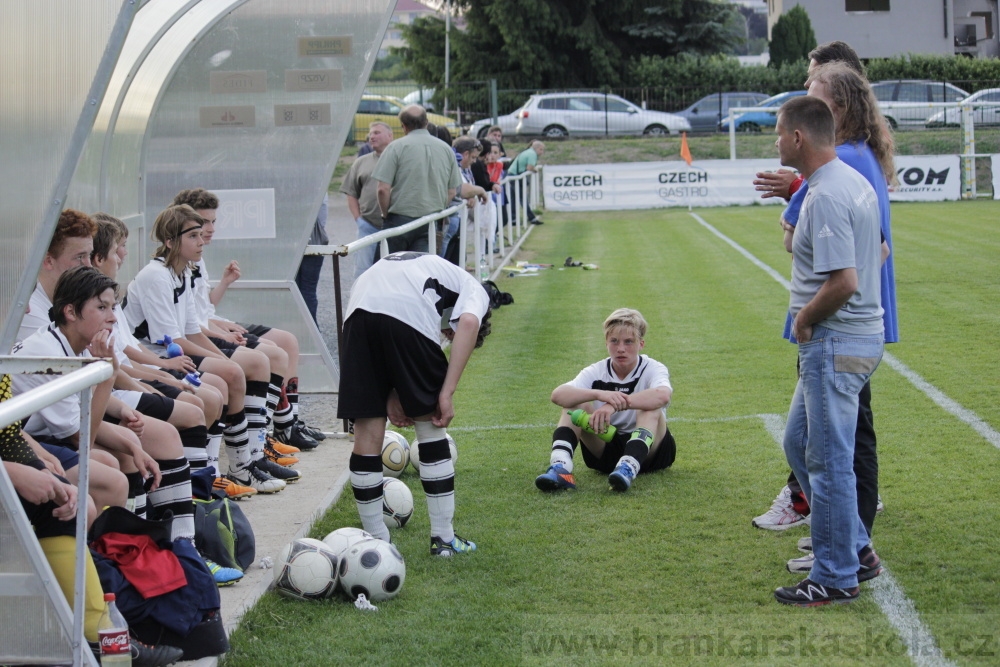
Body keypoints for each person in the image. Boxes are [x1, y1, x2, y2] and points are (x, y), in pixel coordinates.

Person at [752, 46, 897, 549]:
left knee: (836, 448)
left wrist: (811, 319)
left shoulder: (843, 171)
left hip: (839, 328)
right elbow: (871, 246)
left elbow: (855, 265)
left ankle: (843, 546)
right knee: (812, 440)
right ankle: (843, 532)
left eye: (814, 94)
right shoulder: (847, 168)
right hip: (850, 324)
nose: (806, 101)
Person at [770, 96, 884, 606]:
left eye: (778, 132)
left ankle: (835, 574)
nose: (775, 141)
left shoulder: (829, 194)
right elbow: (879, 250)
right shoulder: (846, 182)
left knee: (829, 460)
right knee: (799, 442)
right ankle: (855, 549)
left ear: (798, 138)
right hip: (850, 339)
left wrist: (804, 318)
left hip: (835, 342)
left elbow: (844, 281)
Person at [124, 205, 289, 494]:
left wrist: (220, 357)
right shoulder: (155, 275)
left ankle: (248, 460)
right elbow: (171, 341)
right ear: (171, 241)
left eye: (201, 235)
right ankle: (230, 469)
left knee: (237, 369)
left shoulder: (183, 271)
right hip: (158, 357)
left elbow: (192, 330)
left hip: (173, 350)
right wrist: (222, 361)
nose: (201, 242)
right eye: (193, 236)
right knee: (228, 376)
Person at [337, 252, 492, 556]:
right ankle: (444, 539)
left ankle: (377, 543)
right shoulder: (474, 289)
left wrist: (392, 390)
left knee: (366, 433)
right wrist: (446, 392)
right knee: (431, 425)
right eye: (449, 332)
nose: (448, 336)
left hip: (357, 314)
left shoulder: (430, 268)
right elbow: (470, 323)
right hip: (403, 316)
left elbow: (381, 327)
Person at [172, 188, 323, 451]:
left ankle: (288, 424)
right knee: (271, 355)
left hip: (211, 323)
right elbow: (189, 323)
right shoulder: (175, 266)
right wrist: (220, 331)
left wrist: (225, 285)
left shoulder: (195, 259)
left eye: (212, 222)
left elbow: (203, 308)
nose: (209, 229)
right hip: (200, 333)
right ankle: (264, 438)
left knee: (287, 341)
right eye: (202, 223)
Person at [535, 308, 675, 493]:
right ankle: (561, 467)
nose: (621, 348)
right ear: (606, 343)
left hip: (651, 453)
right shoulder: (596, 371)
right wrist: (599, 394)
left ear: (641, 344)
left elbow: (662, 395)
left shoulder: (652, 367)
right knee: (574, 403)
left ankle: (628, 467)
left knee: (650, 407)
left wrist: (612, 406)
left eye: (629, 342)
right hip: (607, 448)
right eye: (614, 341)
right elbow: (558, 395)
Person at [372, 105, 462, 254]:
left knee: (387, 270)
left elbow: (382, 189)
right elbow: (452, 191)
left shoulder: (395, 148)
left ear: (403, 126)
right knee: (422, 272)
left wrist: (385, 214)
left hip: (399, 219)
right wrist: (435, 206)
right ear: (426, 122)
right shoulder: (446, 149)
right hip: (431, 220)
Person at [341, 121, 394, 278]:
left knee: (391, 272)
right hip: (368, 226)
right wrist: (359, 219)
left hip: (395, 225)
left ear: (390, 136)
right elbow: (351, 193)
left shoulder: (400, 159)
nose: (372, 136)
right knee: (362, 272)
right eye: (371, 133)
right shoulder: (361, 162)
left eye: (377, 133)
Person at [295, 193, 329, 322]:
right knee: (308, 290)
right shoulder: (317, 182)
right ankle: (311, 330)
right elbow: (323, 209)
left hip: (290, 240)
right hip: (313, 239)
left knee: (294, 290)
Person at [506, 140, 545, 225]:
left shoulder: (528, 151)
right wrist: (535, 170)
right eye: (541, 149)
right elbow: (530, 167)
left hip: (512, 174)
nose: (542, 152)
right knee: (522, 198)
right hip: (516, 176)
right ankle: (532, 218)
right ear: (537, 148)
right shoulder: (532, 154)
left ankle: (513, 219)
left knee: (514, 198)